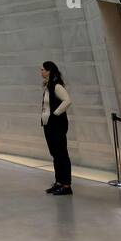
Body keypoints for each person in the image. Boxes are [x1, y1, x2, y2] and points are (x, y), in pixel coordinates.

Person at [41, 61, 73, 195]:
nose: (41, 72)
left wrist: (55, 114)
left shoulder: (57, 86)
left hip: (57, 125)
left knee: (61, 154)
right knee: (55, 154)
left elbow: (67, 100)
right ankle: (59, 182)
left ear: (49, 71)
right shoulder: (48, 86)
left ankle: (66, 185)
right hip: (49, 125)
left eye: (43, 69)